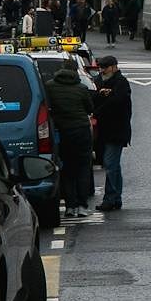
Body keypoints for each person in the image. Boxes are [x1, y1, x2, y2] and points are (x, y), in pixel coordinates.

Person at [42, 57, 98, 218]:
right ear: (75, 71)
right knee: (82, 168)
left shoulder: (50, 86)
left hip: (62, 131)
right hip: (80, 130)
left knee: (66, 169)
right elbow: (90, 108)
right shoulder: (81, 88)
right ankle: (82, 205)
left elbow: (47, 106)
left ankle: (70, 206)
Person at [93, 56, 132, 212]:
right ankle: (116, 198)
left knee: (110, 164)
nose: (102, 70)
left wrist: (97, 110)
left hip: (117, 131)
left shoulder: (121, 83)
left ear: (114, 67)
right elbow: (92, 97)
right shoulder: (99, 81)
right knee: (113, 165)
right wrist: (101, 94)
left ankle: (110, 198)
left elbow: (117, 103)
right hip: (104, 131)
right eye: (101, 67)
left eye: (105, 67)